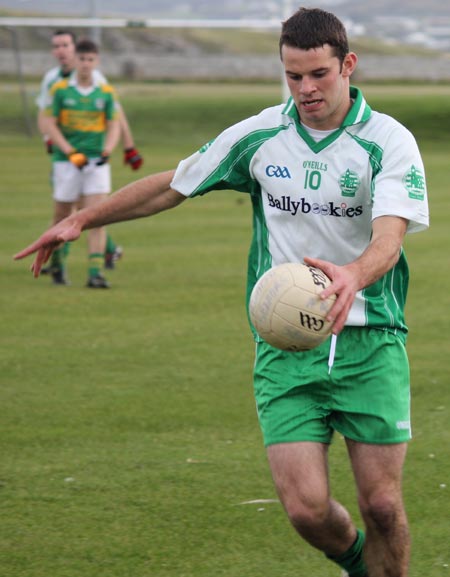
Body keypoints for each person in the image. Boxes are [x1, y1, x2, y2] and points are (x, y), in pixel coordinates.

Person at [16, 8, 429, 576]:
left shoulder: (388, 141)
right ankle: (361, 565)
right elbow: (174, 184)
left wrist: (353, 276)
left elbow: (390, 237)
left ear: (347, 65)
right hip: (286, 347)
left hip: (371, 339)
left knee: (381, 504)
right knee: (307, 512)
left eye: (317, 75)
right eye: (292, 75)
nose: (305, 89)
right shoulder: (261, 135)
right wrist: (82, 221)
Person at [36, 30, 143, 279]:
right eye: (56, 46)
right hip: (66, 159)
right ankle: (60, 263)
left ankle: (95, 271)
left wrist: (125, 147)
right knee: (65, 213)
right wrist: (55, 143)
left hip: (95, 160)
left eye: (65, 45)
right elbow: (46, 117)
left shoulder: (103, 87)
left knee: (96, 213)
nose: (61, 51)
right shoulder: (54, 83)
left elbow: (116, 118)